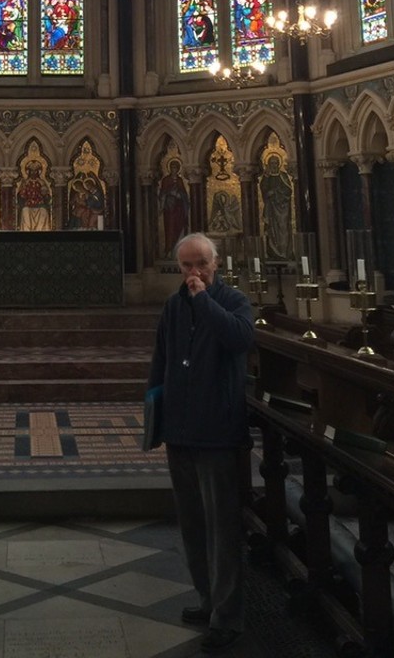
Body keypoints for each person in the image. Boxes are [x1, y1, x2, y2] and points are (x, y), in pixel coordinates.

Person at [147, 233, 254, 653]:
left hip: (217, 430)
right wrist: (156, 411)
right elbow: (161, 360)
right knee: (191, 522)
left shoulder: (233, 302)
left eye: (200, 264)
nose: (193, 273)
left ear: (216, 264)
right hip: (180, 430)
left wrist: (204, 301)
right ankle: (207, 598)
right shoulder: (173, 307)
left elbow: (240, 340)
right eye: (186, 266)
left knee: (222, 527)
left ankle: (227, 614)